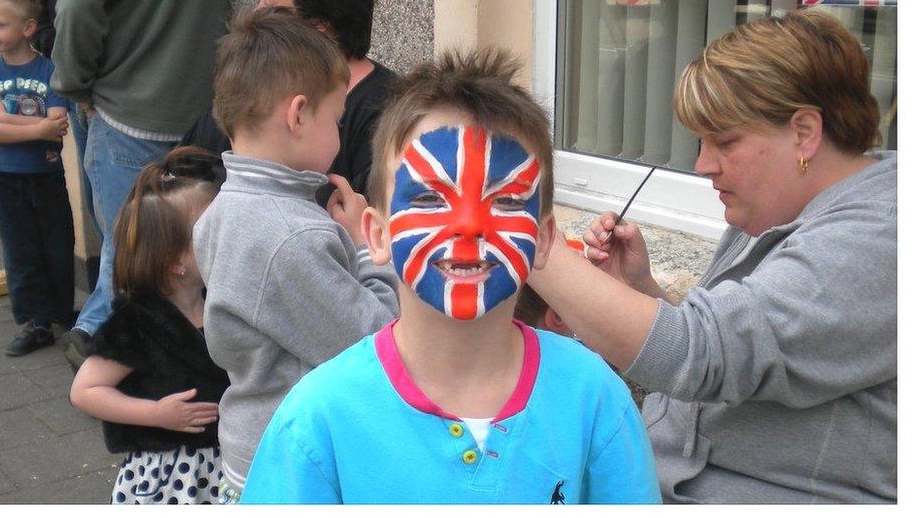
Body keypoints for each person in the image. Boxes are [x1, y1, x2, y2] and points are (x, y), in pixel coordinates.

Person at [239, 50, 660, 504]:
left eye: (506, 201)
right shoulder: (317, 423)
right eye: (427, 199)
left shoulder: (594, 401)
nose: (468, 225)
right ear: (377, 235)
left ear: (542, 239)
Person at [529, 8, 896, 503]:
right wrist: (641, 289)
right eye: (701, 142)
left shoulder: (882, 240)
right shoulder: (777, 204)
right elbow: (742, 351)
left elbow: (700, 354)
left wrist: (523, 237)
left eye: (724, 142)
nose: (703, 165)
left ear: (805, 132)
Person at [192, 8, 400, 504]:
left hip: (255, 444)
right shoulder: (290, 238)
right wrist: (365, 247)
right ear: (299, 114)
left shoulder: (221, 211)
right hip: (296, 460)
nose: (339, 135)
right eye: (337, 119)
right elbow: (376, 343)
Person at [51, 0, 230, 369]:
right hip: (201, 112)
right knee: (160, 257)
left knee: (131, 259)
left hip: (128, 112)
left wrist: (71, 83)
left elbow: (78, 3)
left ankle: (97, 349)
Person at [69, 147, 230, 504]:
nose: (226, 241)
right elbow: (85, 391)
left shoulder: (220, 305)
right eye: (212, 234)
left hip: (225, 467)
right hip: (171, 478)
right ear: (176, 262)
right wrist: (156, 414)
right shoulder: (138, 323)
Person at [180, 0, 396, 207]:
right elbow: (178, 177)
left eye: (271, 8)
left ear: (320, 28)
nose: (255, 13)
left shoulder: (385, 111)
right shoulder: (254, 85)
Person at [0, 0, 74, 357]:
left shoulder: (50, 70)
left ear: (29, 27)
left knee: (58, 244)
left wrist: (5, 116)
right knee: (20, 250)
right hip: (5, 176)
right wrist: (33, 129)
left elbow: (57, 124)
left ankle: (63, 313)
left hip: (46, 175)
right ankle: (34, 322)